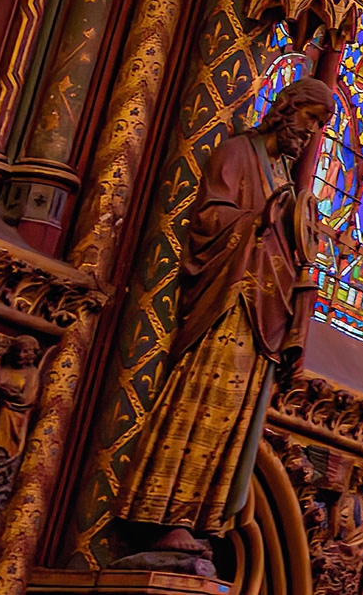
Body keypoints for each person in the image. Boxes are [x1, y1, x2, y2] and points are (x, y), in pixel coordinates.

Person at [115, 76, 339, 566]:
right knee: (199, 405)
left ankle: (196, 519)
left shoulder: (283, 175)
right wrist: (262, 219)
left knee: (231, 422)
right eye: (311, 118)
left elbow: (288, 240)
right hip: (229, 303)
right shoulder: (239, 153)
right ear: (287, 107)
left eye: (321, 125)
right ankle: (165, 514)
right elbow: (210, 218)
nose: (312, 133)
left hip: (265, 316)